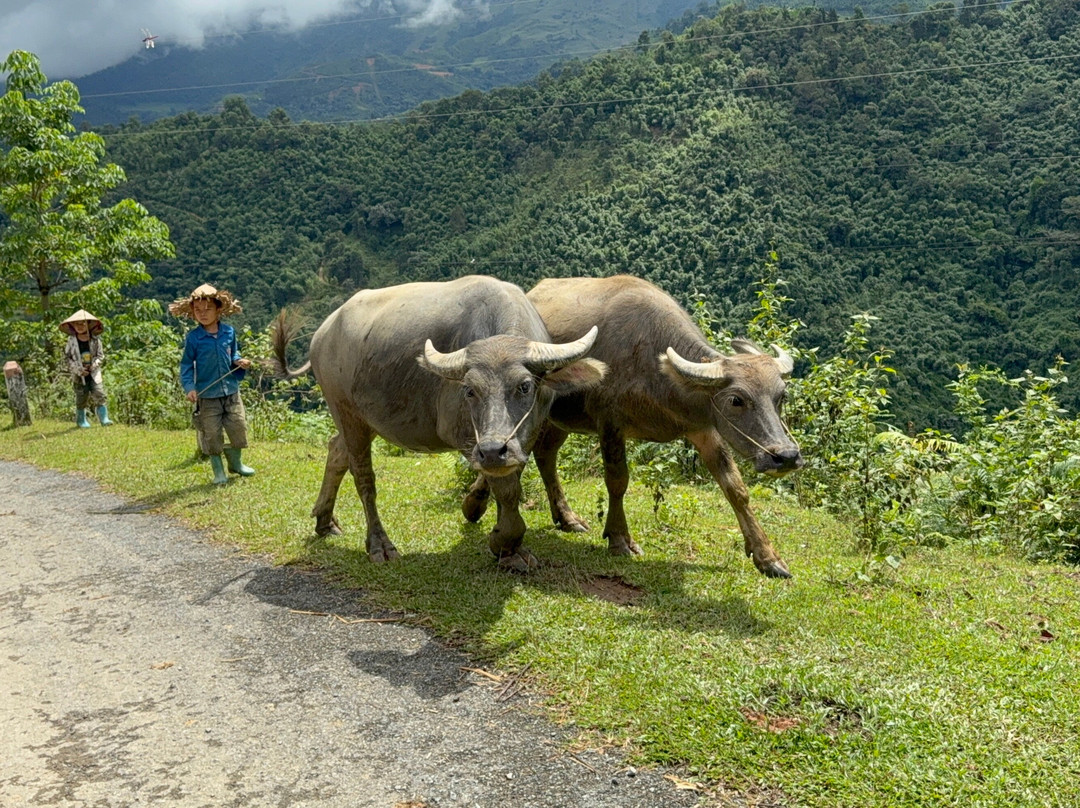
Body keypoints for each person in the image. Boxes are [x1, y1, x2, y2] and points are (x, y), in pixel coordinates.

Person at [169, 284, 254, 485]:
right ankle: (218, 471)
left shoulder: (229, 333)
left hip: (231, 391)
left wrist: (239, 361)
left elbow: (233, 354)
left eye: (208, 309)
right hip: (207, 396)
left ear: (218, 310)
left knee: (238, 428)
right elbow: (187, 364)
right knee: (212, 434)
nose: (203, 314)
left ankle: (237, 464)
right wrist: (190, 388)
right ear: (193, 313)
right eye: (198, 310)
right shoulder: (194, 338)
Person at [60, 309, 113, 428]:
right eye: (77, 323)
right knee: (81, 397)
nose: (80, 326)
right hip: (79, 375)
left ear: (89, 324)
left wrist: (94, 365)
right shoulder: (71, 341)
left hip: (94, 373)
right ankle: (81, 420)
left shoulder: (95, 340)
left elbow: (100, 356)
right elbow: (67, 358)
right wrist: (78, 370)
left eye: (83, 323)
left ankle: (104, 419)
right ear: (72, 325)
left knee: (99, 394)